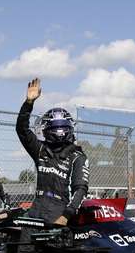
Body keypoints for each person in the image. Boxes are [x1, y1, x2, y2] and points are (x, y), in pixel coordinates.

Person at [16, 78, 89, 226]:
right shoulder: (41, 149)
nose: (59, 131)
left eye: (61, 128)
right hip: (36, 208)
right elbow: (22, 129)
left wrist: (65, 216)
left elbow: (80, 189)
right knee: (24, 248)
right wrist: (28, 103)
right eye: (56, 128)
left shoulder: (78, 157)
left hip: (59, 211)